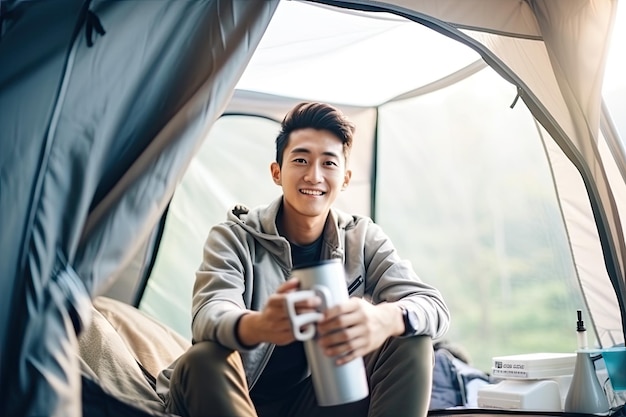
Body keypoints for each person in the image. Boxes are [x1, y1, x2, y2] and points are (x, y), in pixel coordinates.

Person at [157, 102, 450, 417]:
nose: (314, 176)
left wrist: (384, 318)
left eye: (328, 163)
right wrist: (260, 325)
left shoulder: (361, 238)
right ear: (277, 172)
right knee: (204, 357)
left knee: (411, 338)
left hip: (310, 403)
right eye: (301, 160)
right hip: (234, 397)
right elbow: (209, 315)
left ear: (346, 178)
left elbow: (432, 306)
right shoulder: (234, 236)